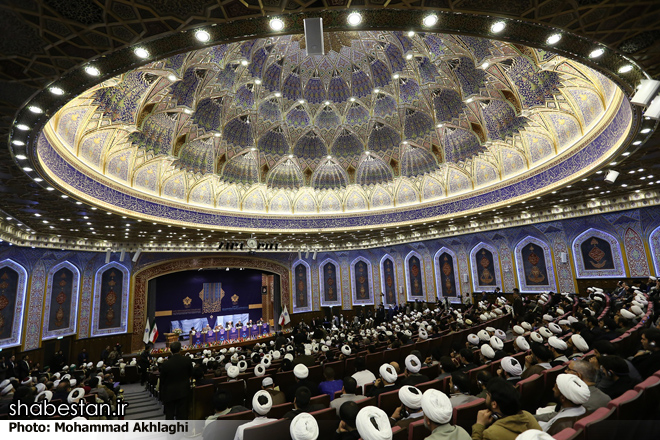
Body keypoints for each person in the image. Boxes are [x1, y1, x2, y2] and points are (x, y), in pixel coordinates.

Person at [472, 378, 541, 440]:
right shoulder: (527, 416)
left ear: (494, 404)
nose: (486, 395)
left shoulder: (491, 433)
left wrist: (479, 425)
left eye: (488, 394)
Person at [159, 341, 193, 420]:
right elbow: (191, 374)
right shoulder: (187, 360)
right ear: (180, 350)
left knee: (169, 414)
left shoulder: (166, 364)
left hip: (169, 393)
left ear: (170, 350)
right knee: (182, 414)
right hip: (183, 391)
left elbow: (162, 380)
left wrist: (162, 394)